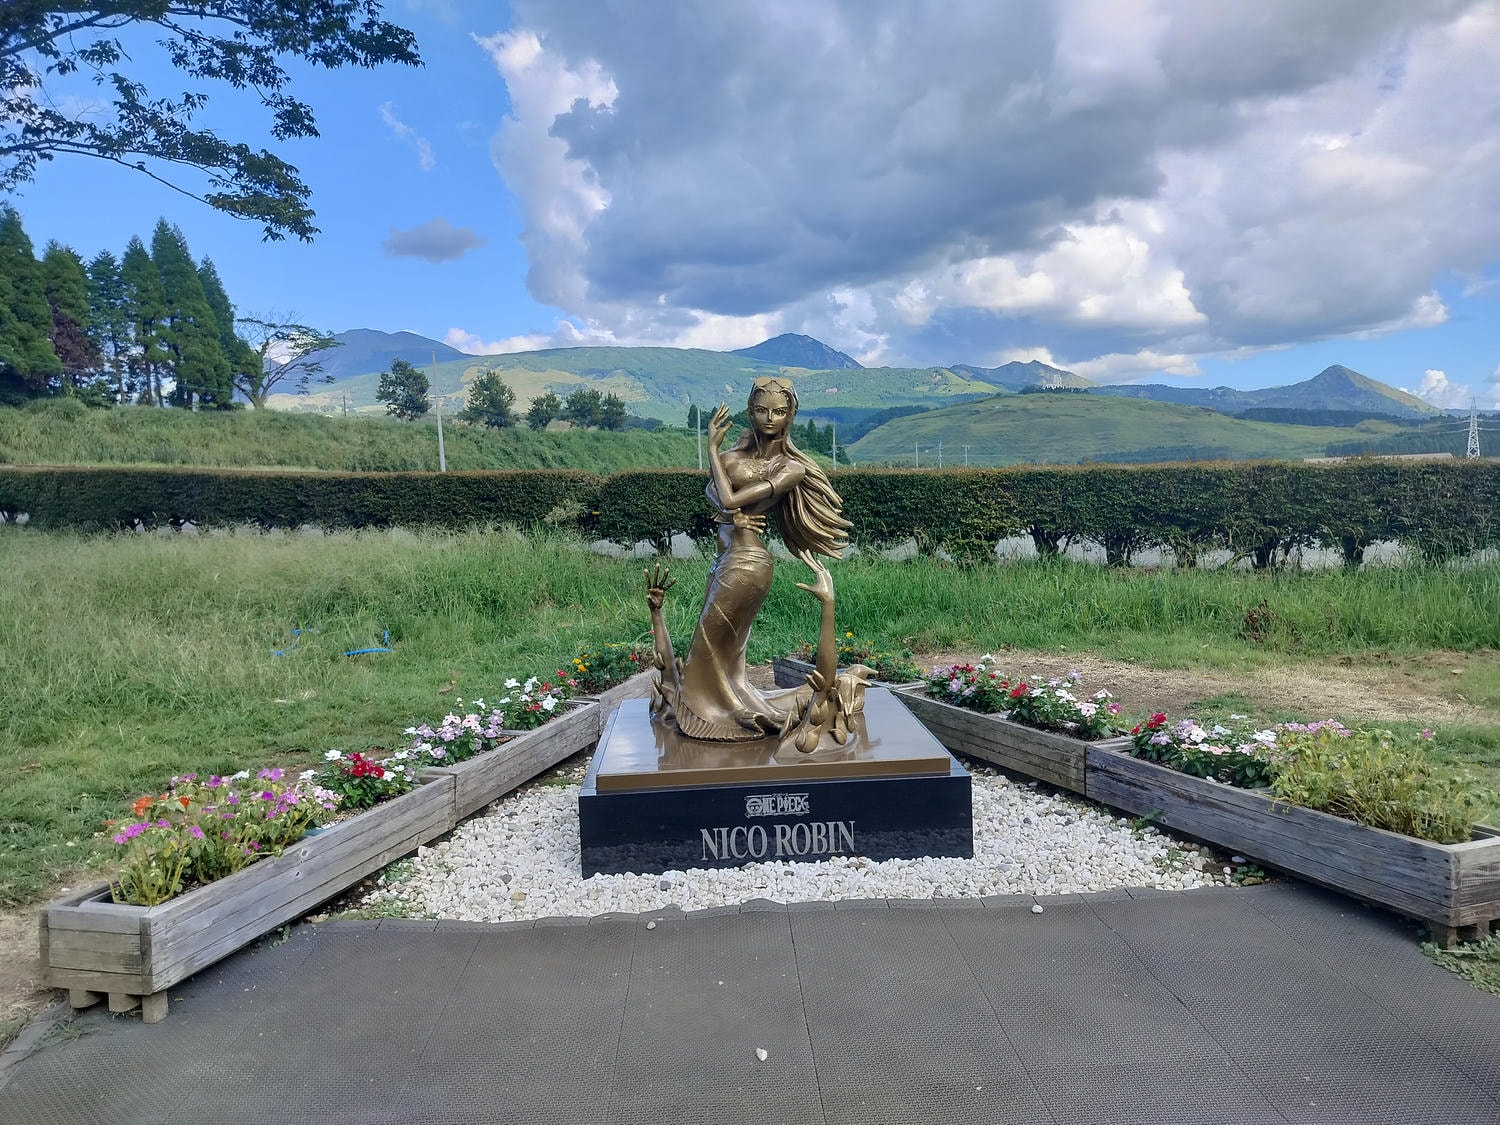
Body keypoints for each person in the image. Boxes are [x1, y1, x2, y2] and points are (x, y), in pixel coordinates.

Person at [647, 376, 857, 744]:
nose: (769, 418)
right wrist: (729, 514)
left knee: (706, 647)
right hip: (724, 559)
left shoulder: (791, 468)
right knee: (725, 651)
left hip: (748, 563)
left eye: (779, 411)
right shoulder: (738, 457)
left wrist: (712, 452)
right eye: (761, 410)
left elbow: (728, 498)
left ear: (791, 414)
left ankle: (710, 720)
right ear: (750, 411)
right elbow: (713, 491)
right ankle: (731, 708)